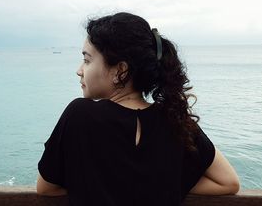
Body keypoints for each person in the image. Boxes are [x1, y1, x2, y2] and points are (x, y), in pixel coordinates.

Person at [37, 12, 240, 205]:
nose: (79, 71)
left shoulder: (79, 115)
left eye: (87, 60)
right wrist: (167, 183)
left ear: (121, 71)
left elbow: (46, 187)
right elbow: (228, 182)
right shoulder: (174, 120)